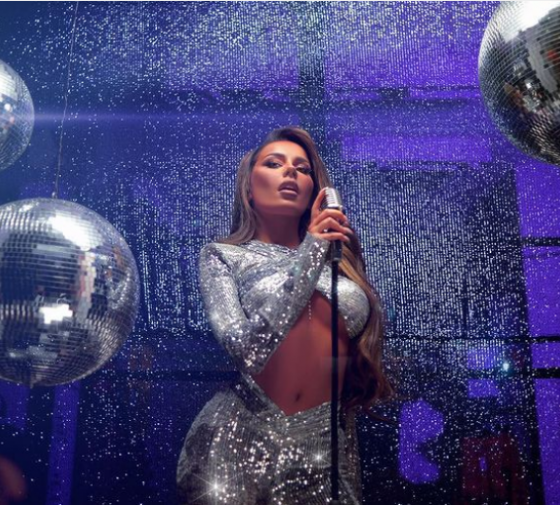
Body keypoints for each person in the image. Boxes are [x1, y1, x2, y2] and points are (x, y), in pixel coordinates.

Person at [177, 126, 394, 504]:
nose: (290, 171)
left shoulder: (337, 261)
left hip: (321, 443)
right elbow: (247, 350)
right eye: (274, 164)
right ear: (248, 187)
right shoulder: (224, 256)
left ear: (314, 190)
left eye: (302, 168)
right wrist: (312, 249)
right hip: (242, 437)